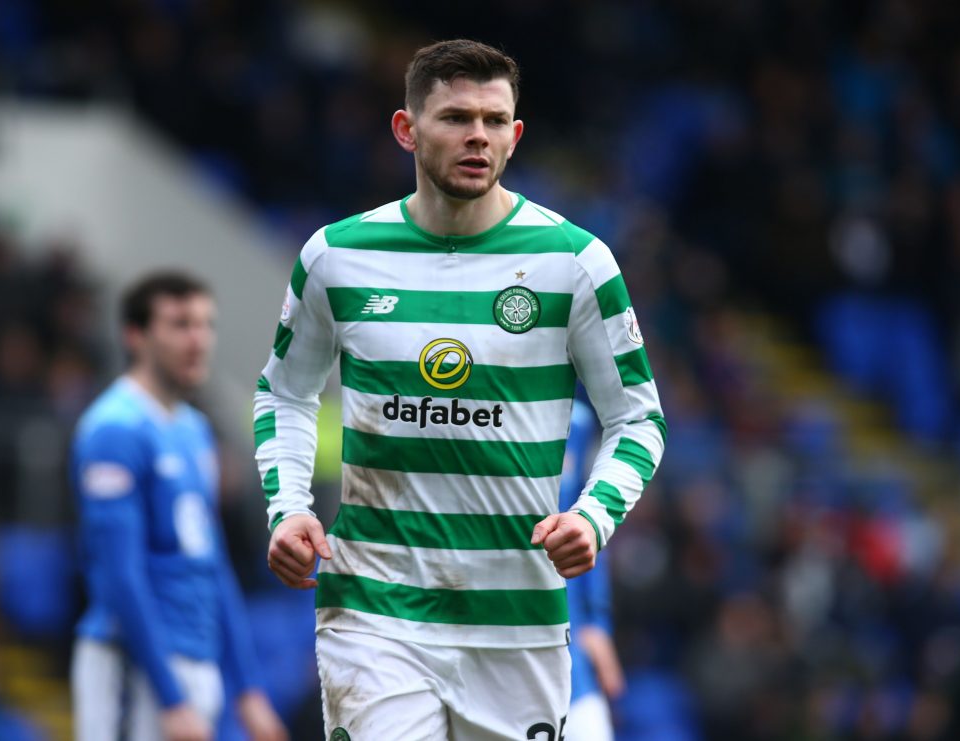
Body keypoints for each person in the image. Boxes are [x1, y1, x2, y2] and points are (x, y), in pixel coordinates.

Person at [255, 39, 667, 740]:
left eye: (494, 119)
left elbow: (638, 418)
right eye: (455, 117)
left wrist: (593, 516)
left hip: (516, 622)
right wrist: (288, 507)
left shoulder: (575, 262)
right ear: (407, 129)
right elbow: (284, 394)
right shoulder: (336, 256)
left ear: (515, 134)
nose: (478, 135)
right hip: (374, 612)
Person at [70, 272, 287, 741]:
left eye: (206, 324)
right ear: (136, 335)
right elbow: (120, 573)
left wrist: (248, 688)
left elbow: (211, 563)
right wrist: (170, 696)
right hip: (133, 666)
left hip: (196, 659)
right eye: (180, 324)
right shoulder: (115, 429)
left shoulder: (195, 431)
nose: (198, 340)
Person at [561, 398, 626, 741]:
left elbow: (587, 528)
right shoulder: (474, 411)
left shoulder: (579, 421)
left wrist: (597, 624)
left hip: (570, 639)